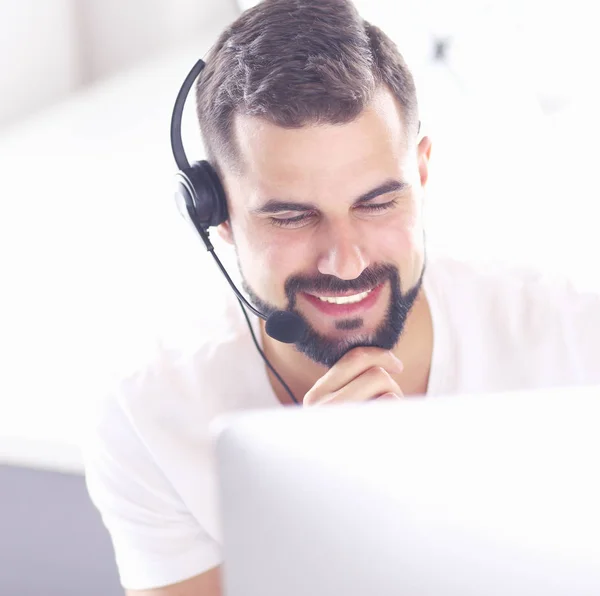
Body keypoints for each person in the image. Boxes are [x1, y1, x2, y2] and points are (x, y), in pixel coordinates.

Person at [82, 0, 600, 594]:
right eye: (292, 217)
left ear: (422, 174)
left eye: (377, 203)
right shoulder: (150, 417)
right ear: (216, 214)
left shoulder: (579, 344)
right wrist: (310, 528)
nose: (347, 261)